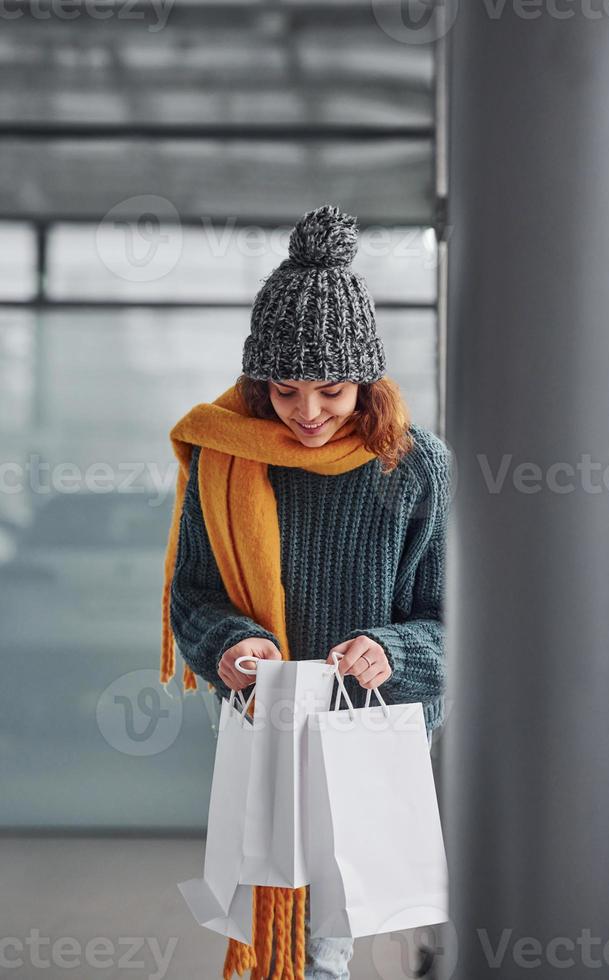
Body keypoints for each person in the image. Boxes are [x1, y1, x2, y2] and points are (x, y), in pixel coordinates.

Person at [161, 203, 450, 980]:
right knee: (269, 879)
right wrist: (231, 640)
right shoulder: (226, 457)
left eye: (330, 390)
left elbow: (458, 623)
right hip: (269, 714)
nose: (309, 413)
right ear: (261, 383)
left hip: (371, 719)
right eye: (285, 391)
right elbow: (194, 592)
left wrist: (393, 649)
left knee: (332, 920)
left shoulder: (414, 467)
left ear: (366, 377)